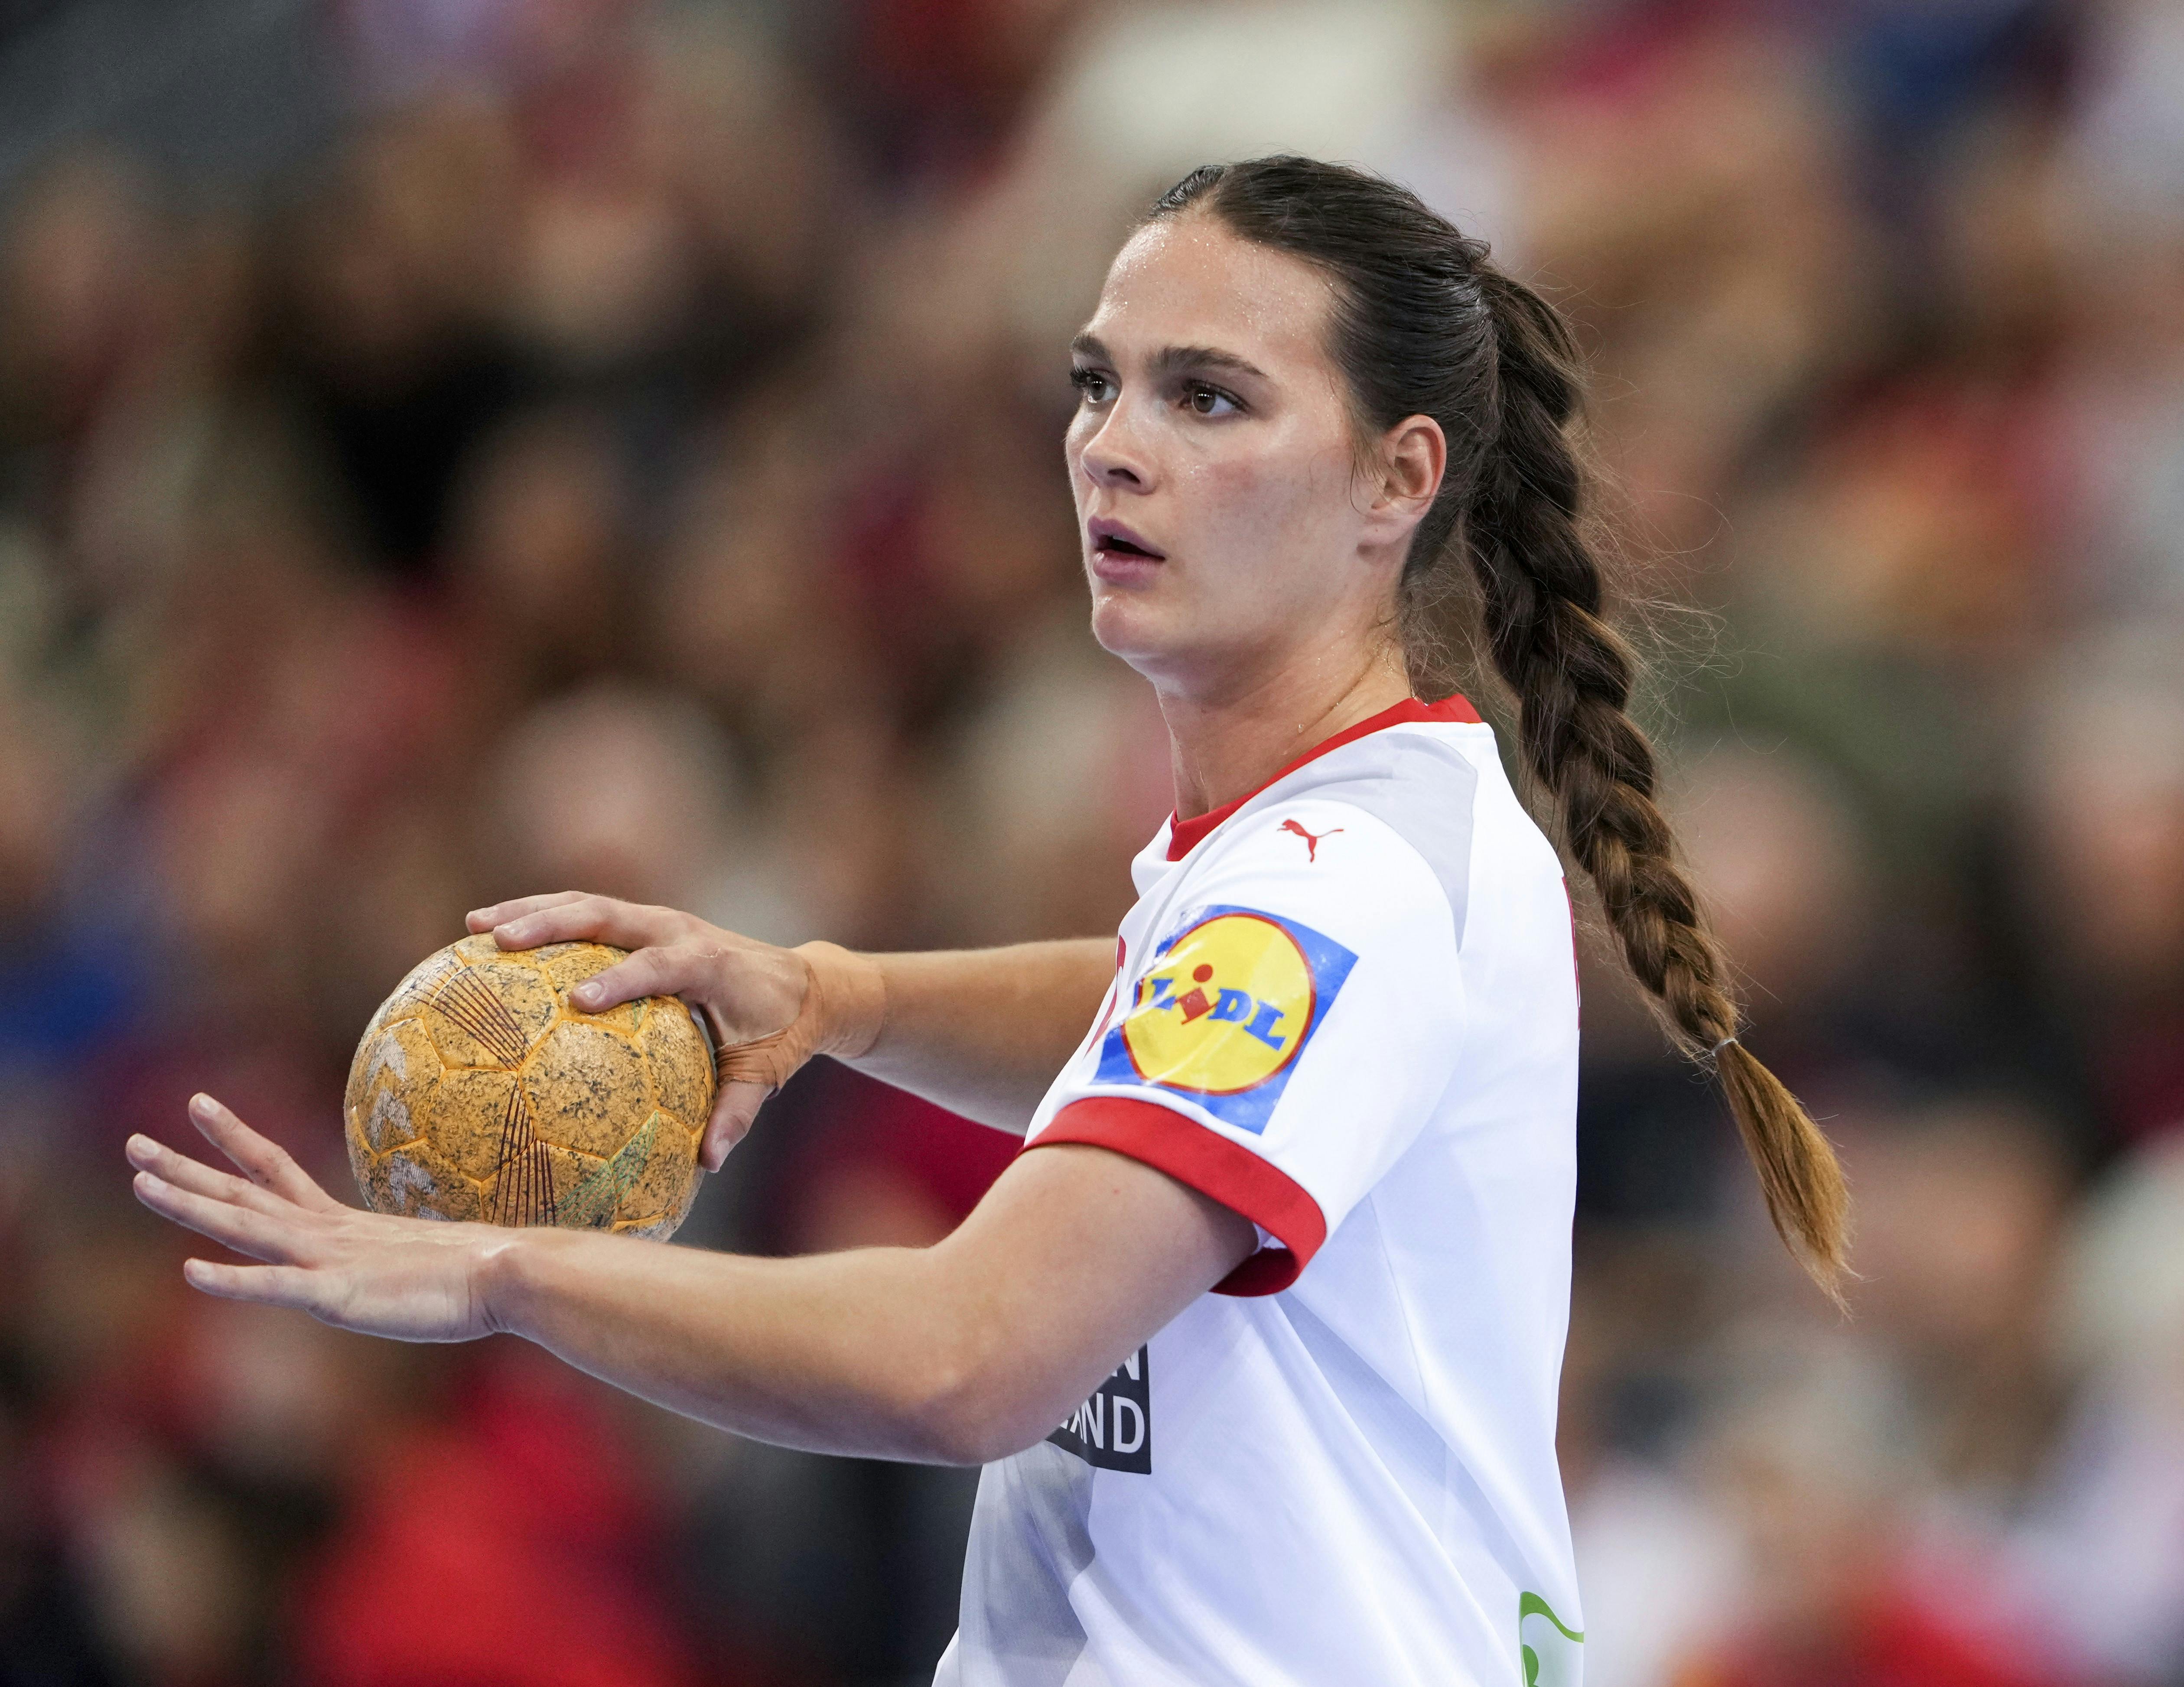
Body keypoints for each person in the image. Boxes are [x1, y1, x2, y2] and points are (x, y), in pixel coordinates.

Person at [127, 156, 1849, 1685]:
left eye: (1210, 398)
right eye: (1098, 383)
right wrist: (825, 993)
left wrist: (507, 1271)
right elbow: (1150, 1009)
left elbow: (966, 1360)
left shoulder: (1332, 888)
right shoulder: (1308, 855)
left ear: (1398, 477)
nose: (1114, 442)